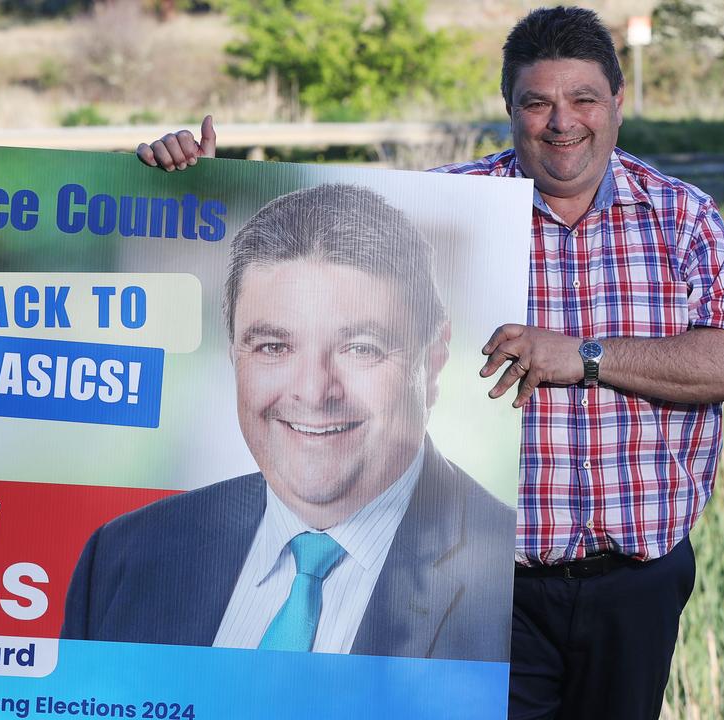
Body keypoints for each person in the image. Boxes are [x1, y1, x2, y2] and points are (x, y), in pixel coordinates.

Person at [132, 6, 724, 718]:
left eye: (583, 99)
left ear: (618, 104)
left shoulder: (682, 218)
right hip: (479, 587)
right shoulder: (446, 204)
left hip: (636, 580)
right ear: (510, 110)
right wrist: (189, 185)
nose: (562, 122)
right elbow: (304, 240)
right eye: (537, 103)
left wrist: (584, 357)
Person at [61, 183, 517, 663]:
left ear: (434, 359)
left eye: (360, 348)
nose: (314, 391)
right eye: (274, 347)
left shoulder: (520, 582)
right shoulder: (121, 560)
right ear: (233, 352)